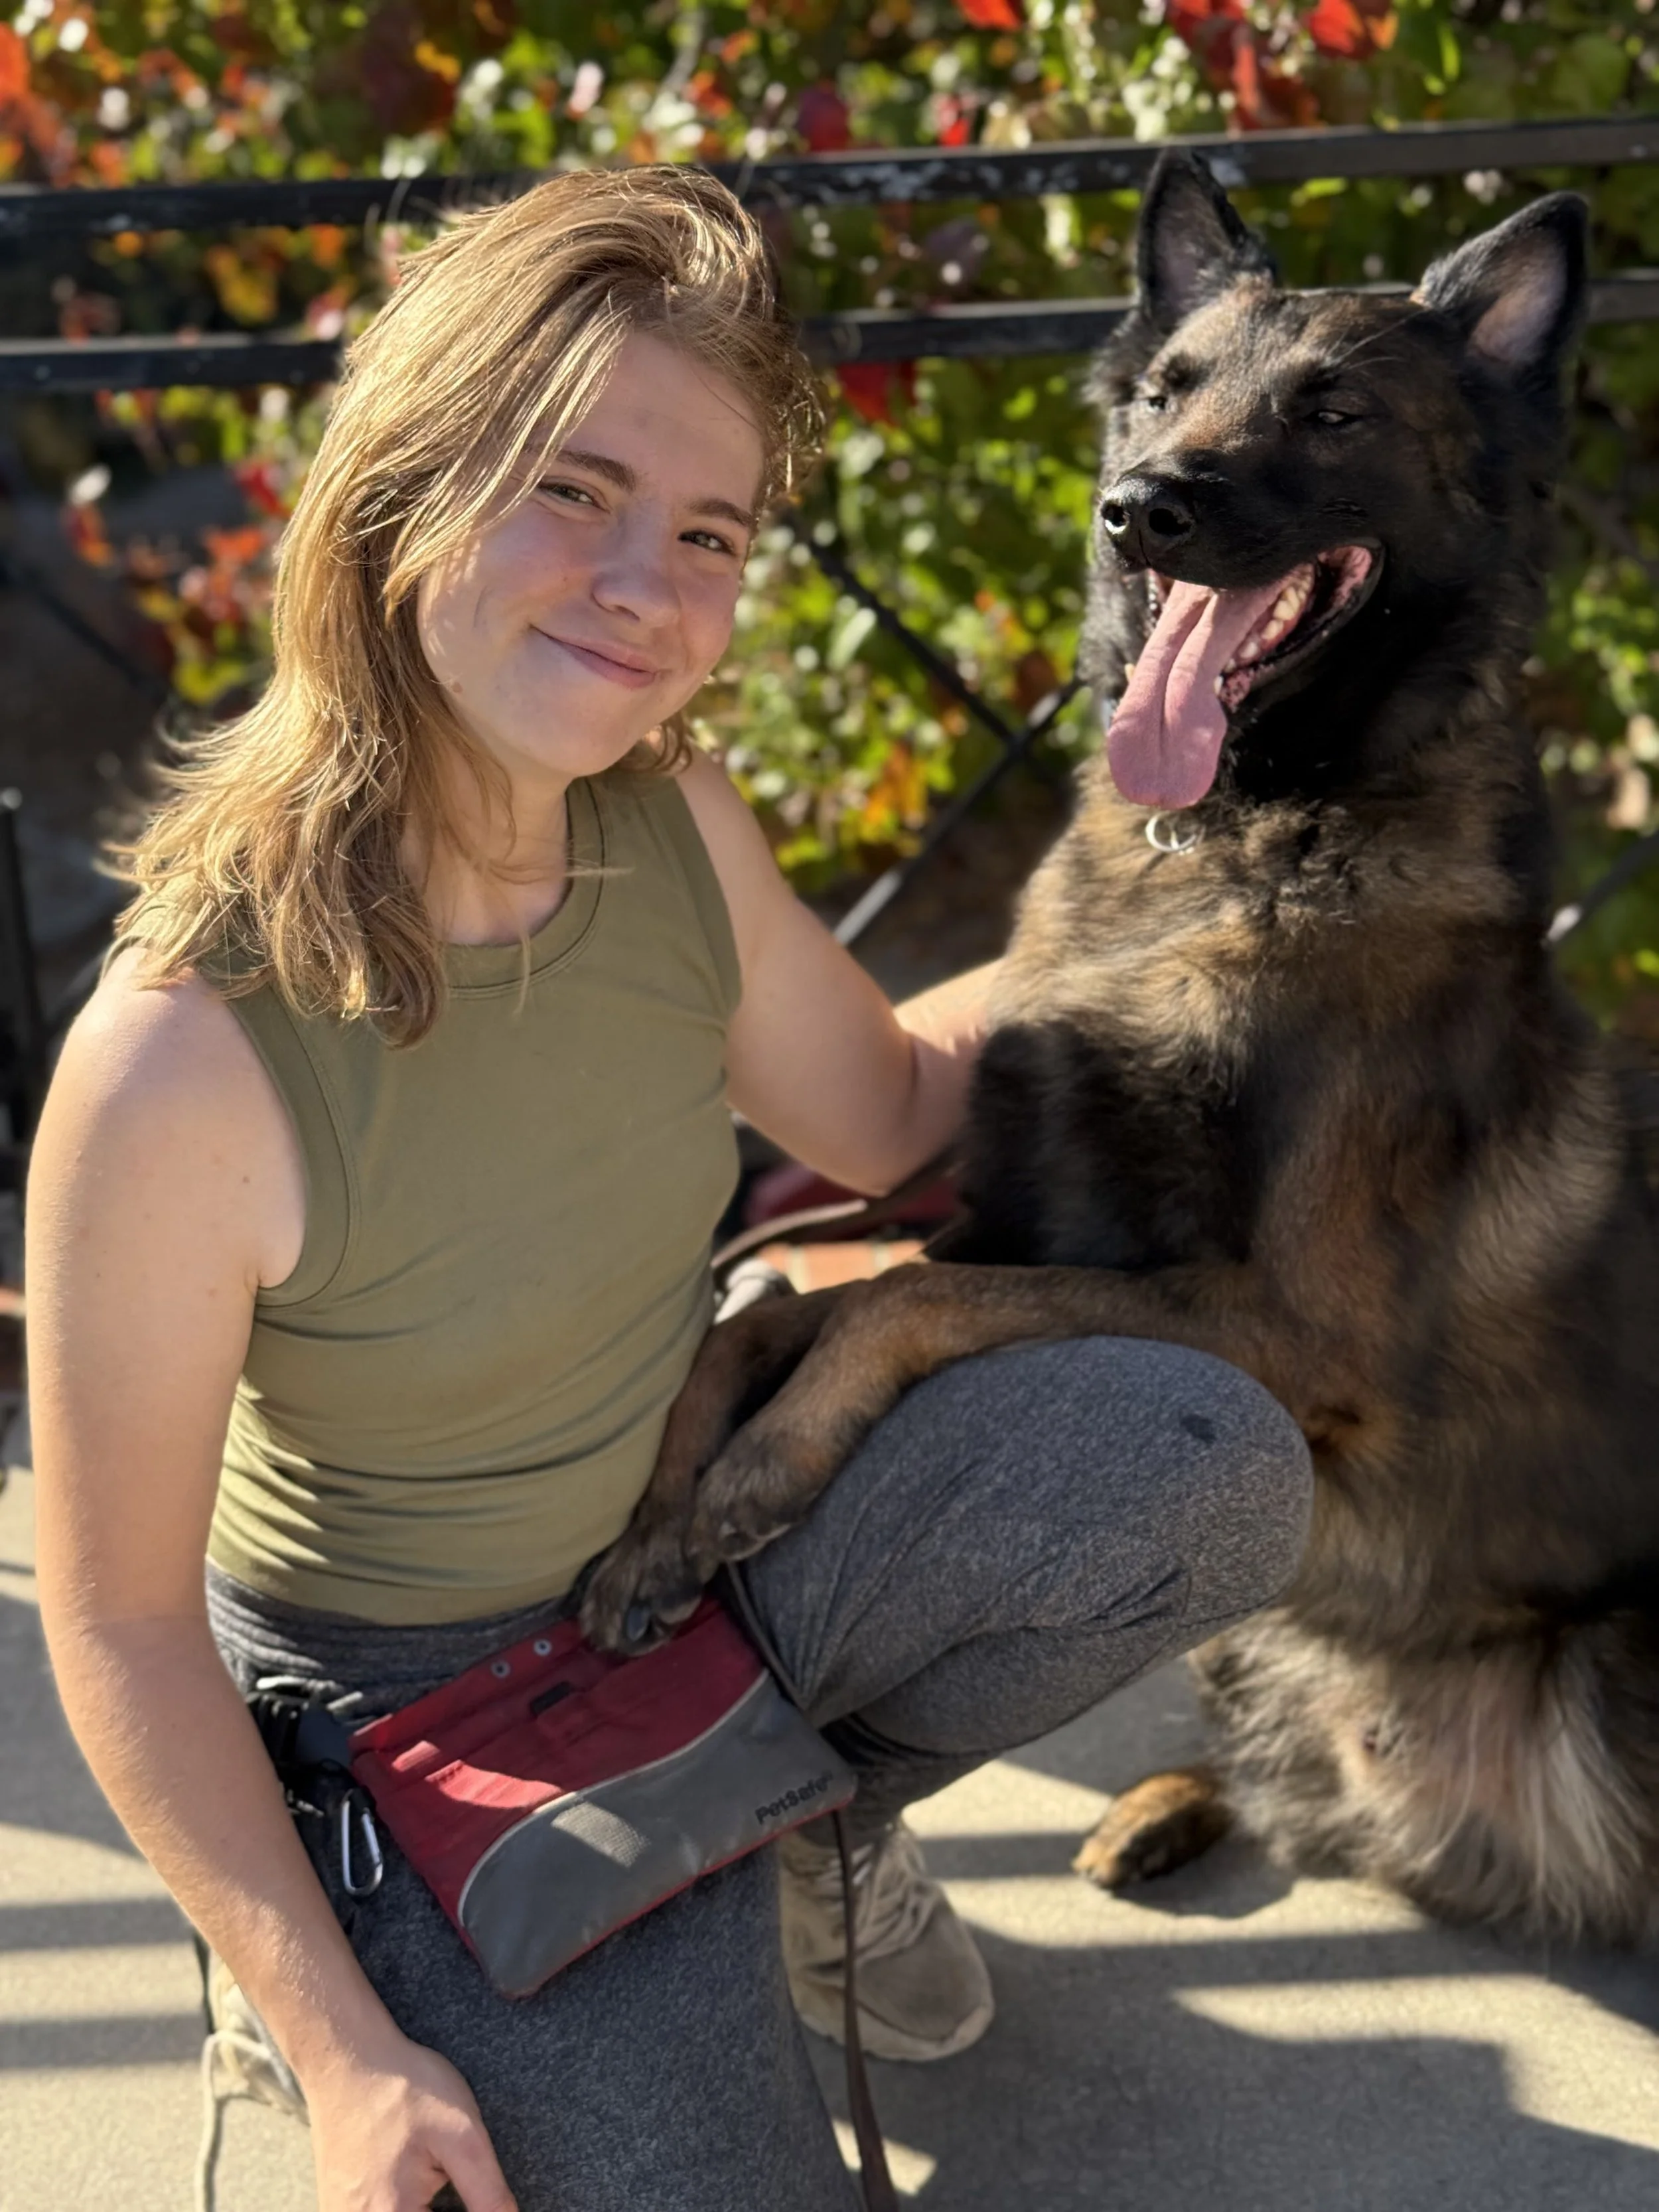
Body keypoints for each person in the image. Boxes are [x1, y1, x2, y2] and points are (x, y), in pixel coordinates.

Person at [29, 166, 1312, 2212]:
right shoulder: (179, 1057)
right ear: (403, 484)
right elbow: (113, 1622)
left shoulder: (658, 813)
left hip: (680, 1545)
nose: (648, 580)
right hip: (405, 1707)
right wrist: (342, 2045)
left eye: (706, 529)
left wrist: (1203, 894)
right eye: (572, 487)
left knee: (1200, 1463)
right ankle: (344, 1951)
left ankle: (781, 1833)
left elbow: (897, 1108)